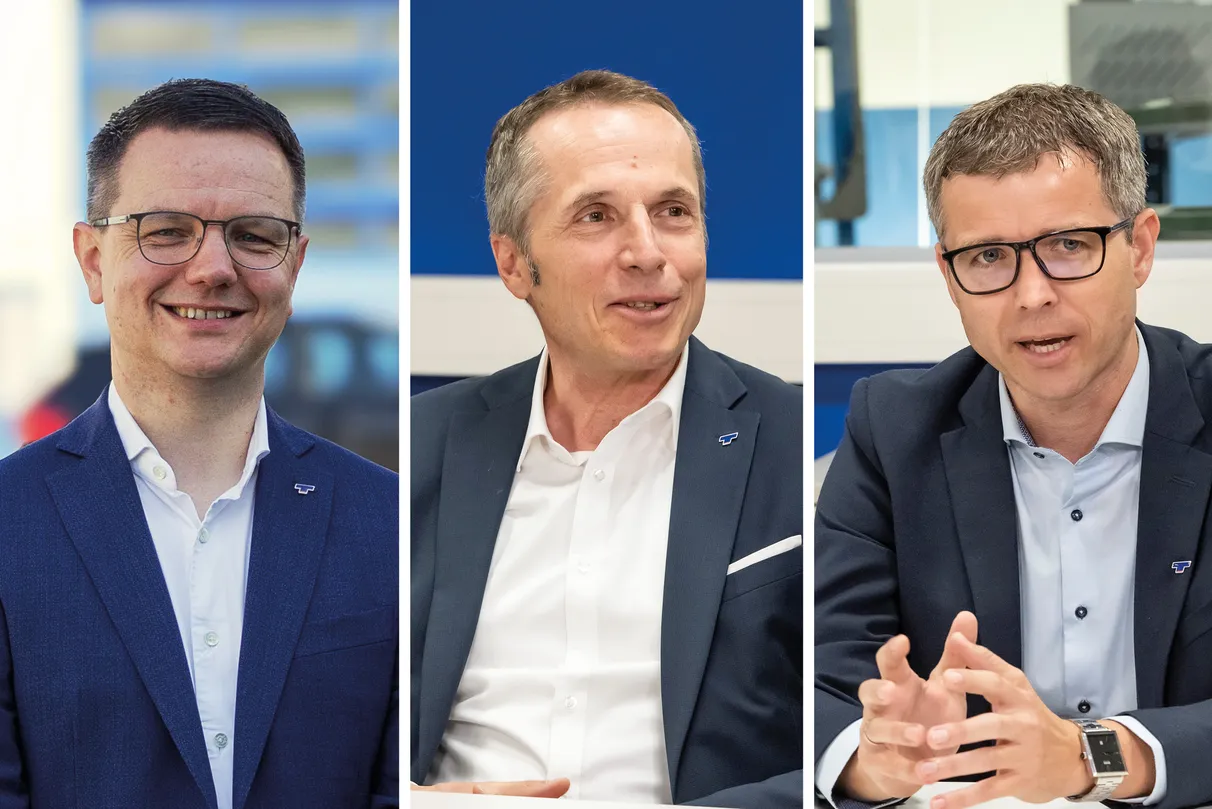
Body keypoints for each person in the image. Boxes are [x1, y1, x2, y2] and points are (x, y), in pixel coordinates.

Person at [0, 79, 398, 809]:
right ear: (92, 259)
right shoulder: (6, 520)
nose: (213, 266)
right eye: (166, 229)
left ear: (296, 264)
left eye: (253, 234)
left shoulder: (391, 522)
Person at [410, 70, 803, 808]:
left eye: (674, 212)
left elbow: (840, 740)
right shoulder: (423, 446)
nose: (648, 252)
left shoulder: (793, 446)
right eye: (597, 216)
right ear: (513, 262)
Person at [815, 82, 1212, 809]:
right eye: (990, 256)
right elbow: (824, 679)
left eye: (1068, 246)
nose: (1031, 295)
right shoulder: (892, 429)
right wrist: (883, 759)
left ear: (1141, 248)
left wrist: (1092, 756)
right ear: (949, 275)